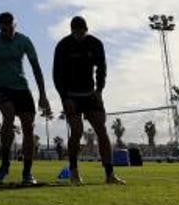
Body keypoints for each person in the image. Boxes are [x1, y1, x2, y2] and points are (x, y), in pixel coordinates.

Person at [0, 11, 51, 186]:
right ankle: (5, 164)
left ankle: (27, 172)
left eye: (10, 28)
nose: (7, 32)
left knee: (28, 126)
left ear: (15, 25)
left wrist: (42, 94)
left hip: (22, 88)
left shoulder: (24, 41)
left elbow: (36, 68)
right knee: (9, 116)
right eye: (4, 29)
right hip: (2, 87)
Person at [53, 15, 125, 185]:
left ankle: (110, 174)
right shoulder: (63, 46)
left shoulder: (95, 43)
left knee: (101, 129)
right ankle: (74, 173)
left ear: (86, 29)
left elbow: (102, 68)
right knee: (76, 131)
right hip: (71, 96)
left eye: (81, 32)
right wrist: (64, 97)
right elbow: (57, 74)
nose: (78, 35)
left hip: (91, 94)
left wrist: (99, 90)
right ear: (71, 31)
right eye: (75, 32)